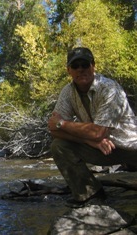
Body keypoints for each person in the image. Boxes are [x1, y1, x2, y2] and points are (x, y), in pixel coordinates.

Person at [48, 47, 137, 208]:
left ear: (93, 66)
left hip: (132, 148)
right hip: (104, 148)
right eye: (75, 66)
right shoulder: (68, 92)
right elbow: (53, 129)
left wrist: (63, 123)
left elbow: (98, 132)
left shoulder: (109, 88)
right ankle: (90, 195)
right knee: (59, 146)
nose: (80, 69)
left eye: (85, 64)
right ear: (69, 70)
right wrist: (90, 141)